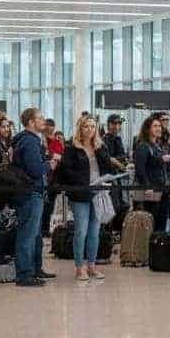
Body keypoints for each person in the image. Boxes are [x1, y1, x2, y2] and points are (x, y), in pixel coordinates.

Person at [56, 115, 119, 281]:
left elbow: (108, 168)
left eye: (93, 126)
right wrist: (83, 181)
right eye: (86, 126)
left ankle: (92, 265)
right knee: (81, 231)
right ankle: (79, 267)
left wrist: (105, 159)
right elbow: (66, 171)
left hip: (98, 191)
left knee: (95, 231)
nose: (90, 130)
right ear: (80, 128)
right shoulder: (72, 148)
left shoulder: (100, 146)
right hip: (80, 194)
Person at [11, 108, 59, 287]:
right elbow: (35, 169)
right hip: (31, 192)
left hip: (32, 192)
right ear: (31, 122)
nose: (43, 121)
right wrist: (49, 164)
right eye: (40, 118)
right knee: (28, 234)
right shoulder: (30, 142)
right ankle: (25, 273)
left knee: (35, 234)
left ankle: (34, 268)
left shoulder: (28, 140)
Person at [133, 114, 170, 231]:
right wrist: (147, 187)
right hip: (150, 193)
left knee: (160, 224)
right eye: (155, 126)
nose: (159, 128)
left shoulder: (157, 146)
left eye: (159, 126)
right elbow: (140, 169)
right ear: (148, 129)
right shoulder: (143, 146)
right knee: (150, 224)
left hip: (162, 190)